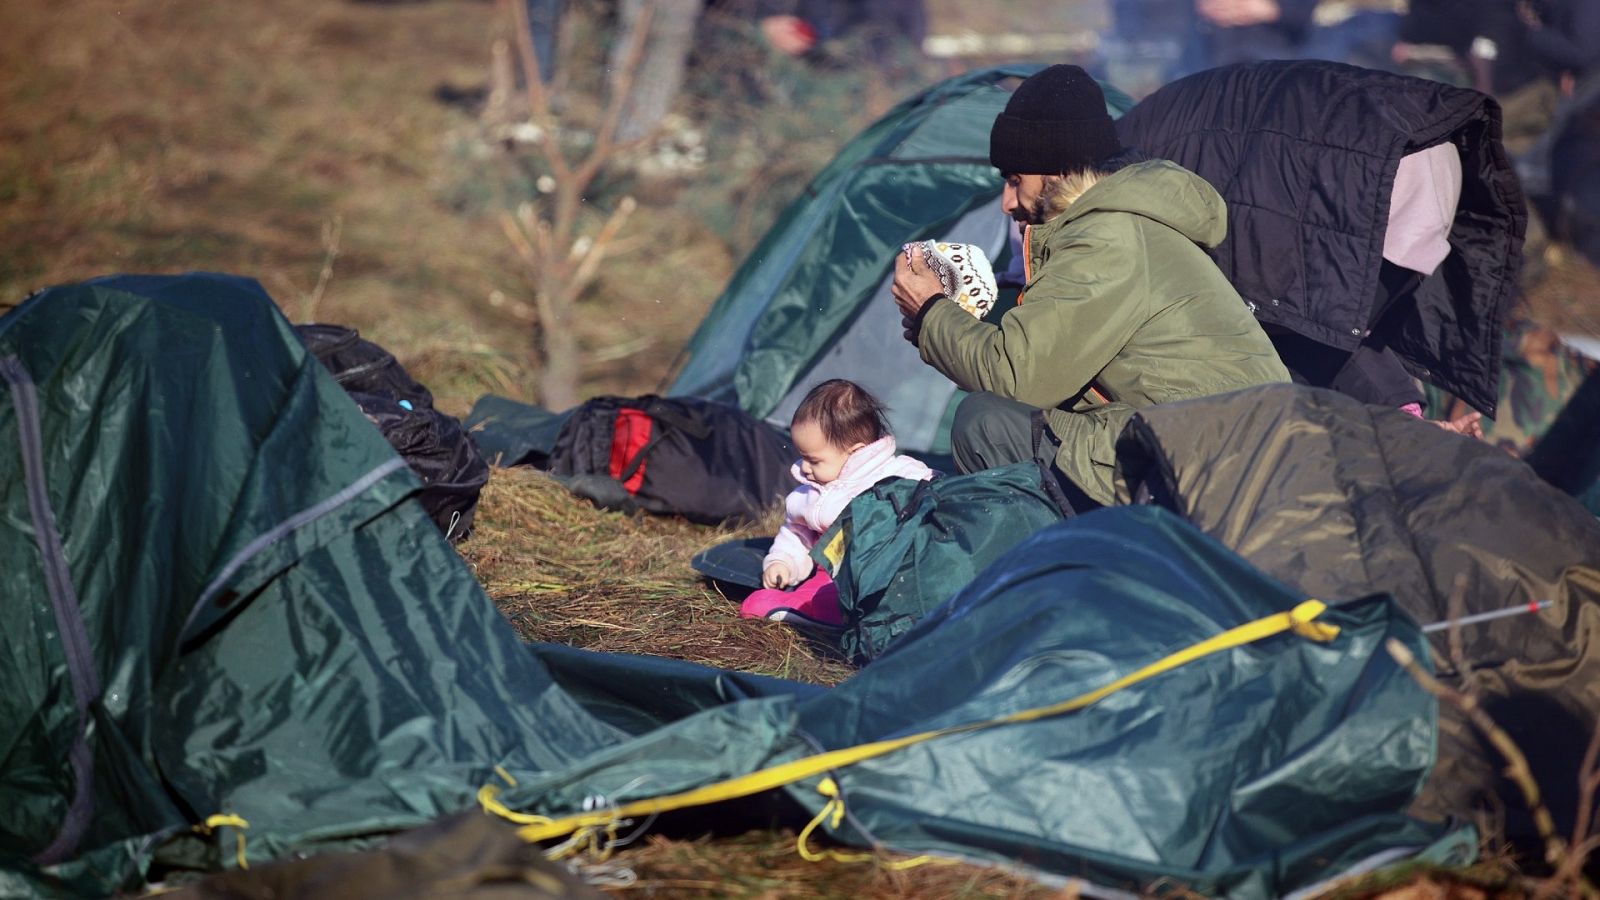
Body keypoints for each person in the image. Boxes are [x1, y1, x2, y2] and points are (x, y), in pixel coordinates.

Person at [890, 64, 1290, 510]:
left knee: (986, 423)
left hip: (1212, 467)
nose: (1006, 202)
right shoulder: (1119, 228)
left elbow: (1018, 378)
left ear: (1057, 172)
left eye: (1015, 179)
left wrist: (931, 312)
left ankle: (1047, 576)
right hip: (1213, 450)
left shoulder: (1106, 239)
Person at [741, 379, 934, 629]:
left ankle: (841, 614)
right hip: (830, 578)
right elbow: (796, 534)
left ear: (855, 452)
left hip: (887, 574)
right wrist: (782, 562)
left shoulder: (899, 473)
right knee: (758, 604)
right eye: (802, 457)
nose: (805, 468)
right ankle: (818, 612)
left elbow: (933, 490)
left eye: (814, 460)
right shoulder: (808, 495)